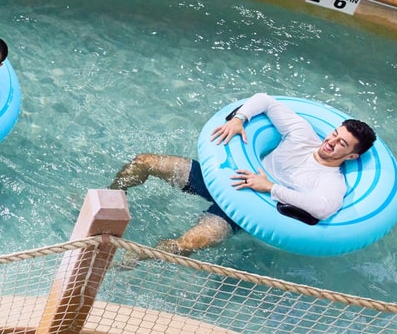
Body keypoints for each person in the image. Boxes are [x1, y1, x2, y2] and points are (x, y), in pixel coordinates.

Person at [111, 93, 377, 255]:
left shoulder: (331, 181)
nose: (331, 142)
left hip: (244, 211)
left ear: (352, 156)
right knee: (144, 161)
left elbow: (323, 209)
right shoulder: (302, 135)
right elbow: (265, 100)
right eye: (334, 134)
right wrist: (239, 119)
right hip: (225, 177)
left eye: (342, 144)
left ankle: (132, 259)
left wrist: (270, 187)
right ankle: (110, 200)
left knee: (183, 245)